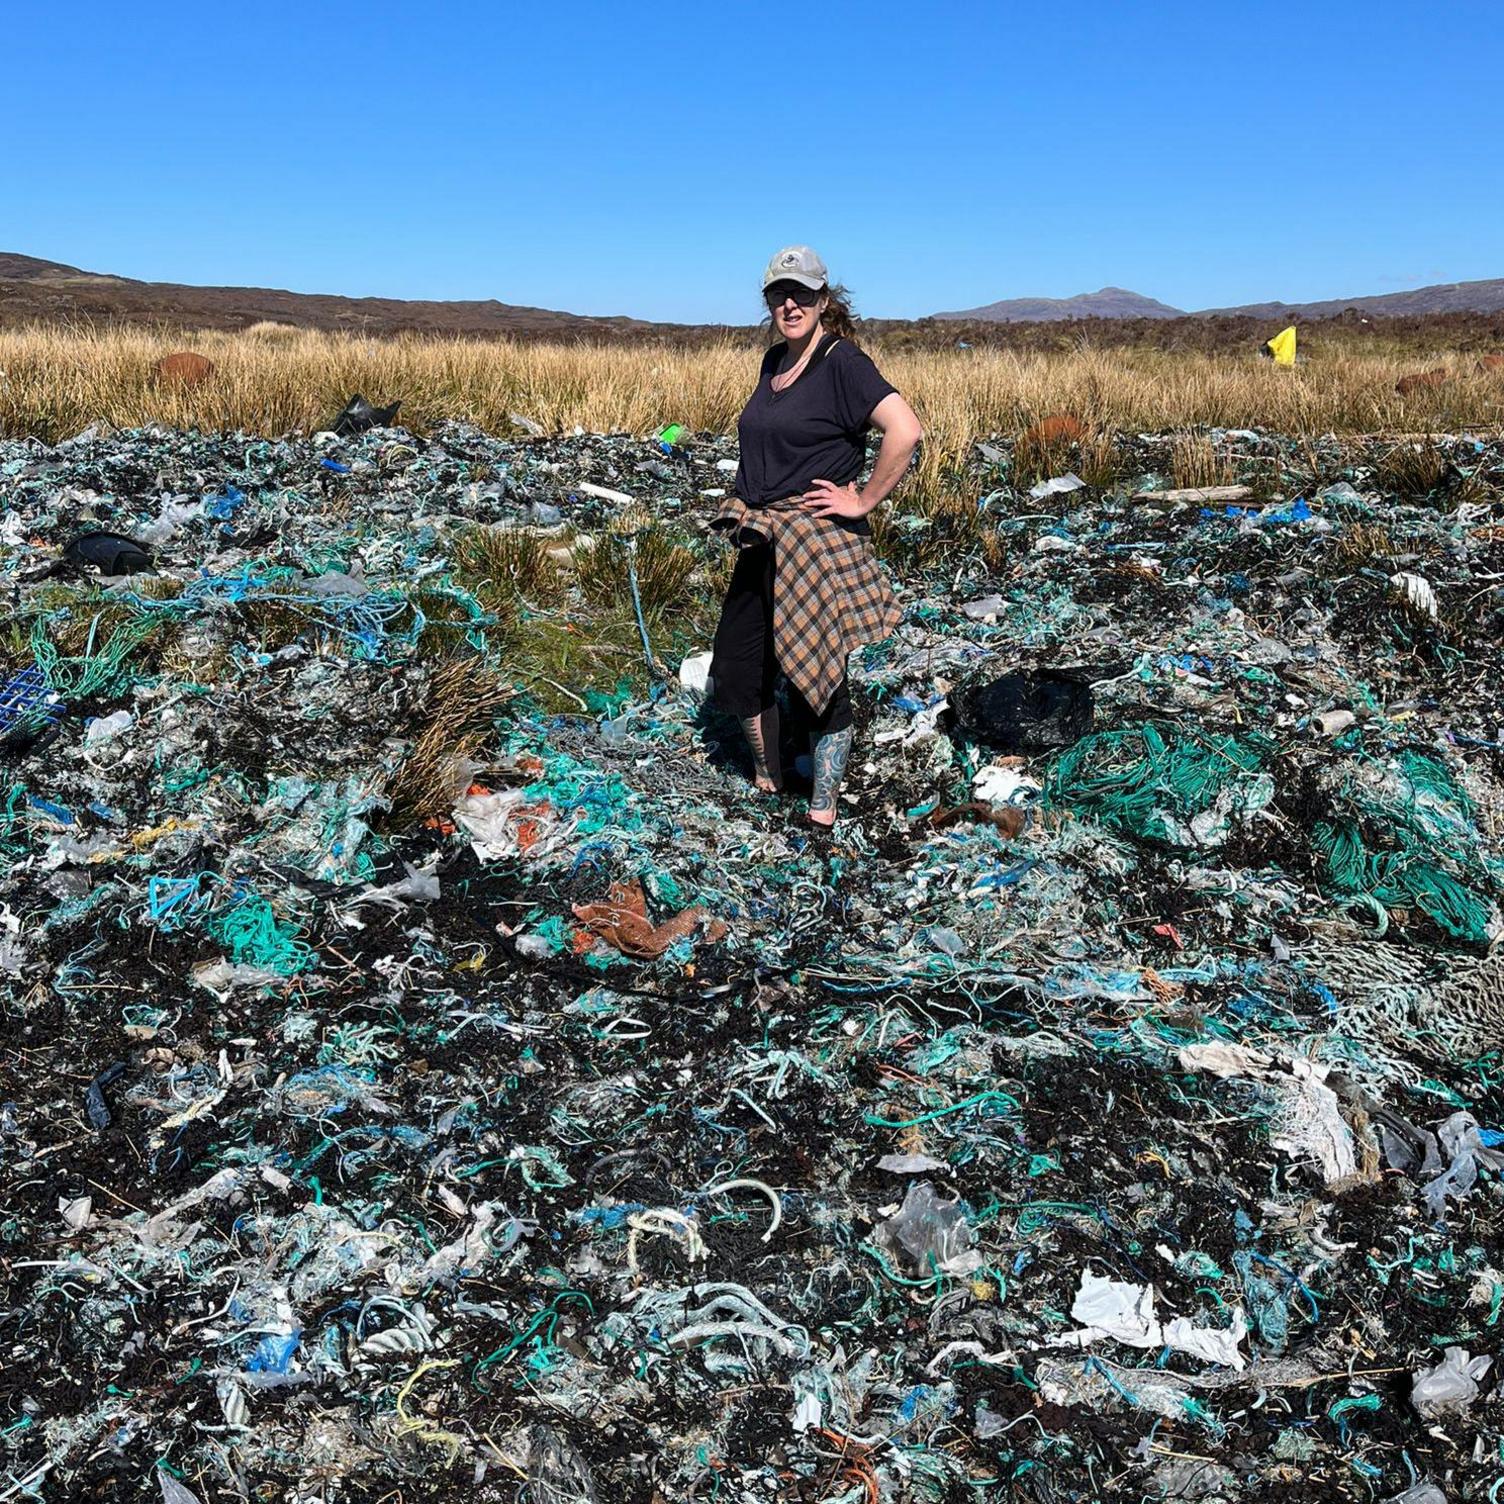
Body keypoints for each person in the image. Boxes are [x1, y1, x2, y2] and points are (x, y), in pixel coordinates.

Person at [709, 246, 923, 828]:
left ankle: (822, 806)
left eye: (802, 292)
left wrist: (863, 498)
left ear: (823, 299)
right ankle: (770, 774)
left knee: (819, 669)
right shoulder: (774, 361)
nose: (790, 303)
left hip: (813, 539)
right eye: (780, 293)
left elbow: (904, 431)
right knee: (738, 662)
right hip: (762, 533)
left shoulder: (843, 362)